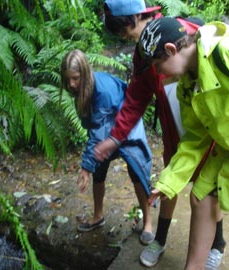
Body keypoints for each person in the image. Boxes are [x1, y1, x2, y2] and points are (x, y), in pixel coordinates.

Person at [138, 16, 229, 270]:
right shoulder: (186, 85)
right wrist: (168, 181)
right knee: (201, 196)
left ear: (172, 50)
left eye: (158, 64)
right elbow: (195, 139)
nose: (158, 72)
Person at [96, 0, 226, 268]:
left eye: (122, 29)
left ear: (135, 17)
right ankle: (161, 238)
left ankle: (218, 242)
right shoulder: (142, 54)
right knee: (167, 183)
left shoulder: (179, 35)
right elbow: (136, 97)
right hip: (174, 131)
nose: (123, 36)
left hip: (208, 129)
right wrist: (115, 137)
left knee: (209, 190)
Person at [60, 49, 155, 245]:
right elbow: (97, 130)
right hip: (106, 127)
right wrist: (91, 165)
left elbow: (97, 134)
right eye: (68, 79)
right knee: (99, 169)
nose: (71, 84)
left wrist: (85, 167)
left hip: (127, 126)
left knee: (137, 171)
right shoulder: (82, 88)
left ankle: (148, 222)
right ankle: (98, 216)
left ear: (85, 74)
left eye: (76, 79)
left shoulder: (101, 90)